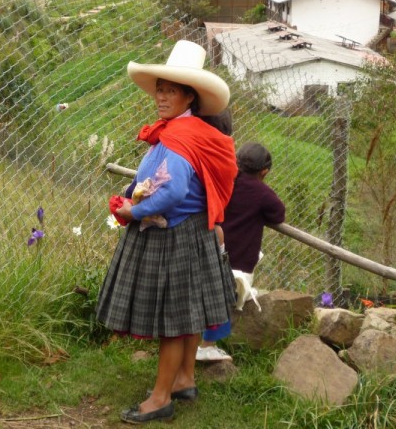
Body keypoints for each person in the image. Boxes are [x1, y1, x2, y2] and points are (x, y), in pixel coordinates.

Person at [97, 40, 238, 424]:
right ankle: (184, 379)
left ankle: (160, 399)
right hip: (192, 233)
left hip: (175, 234)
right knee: (187, 312)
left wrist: (135, 210)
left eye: (170, 90)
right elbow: (161, 178)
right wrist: (133, 191)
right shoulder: (180, 131)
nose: (161, 96)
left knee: (174, 323)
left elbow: (173, 191)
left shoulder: (181, 137)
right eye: (160, 88)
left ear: (189, 96)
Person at [196, 142, 286, 362]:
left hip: (208, 248)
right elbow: (278, 214)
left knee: (207, 294)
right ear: (264, 171)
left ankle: (191, 341)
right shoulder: (262, 193)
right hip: (237, 260)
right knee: (224, 299)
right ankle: (207, 345)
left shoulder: (225, 180)